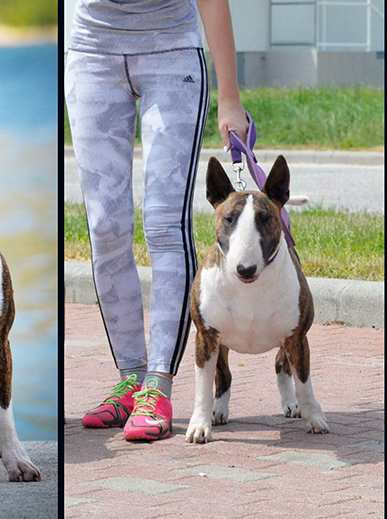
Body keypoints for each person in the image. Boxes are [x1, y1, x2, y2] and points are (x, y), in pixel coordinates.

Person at [65, 0, 249, 441]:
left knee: (165, 223)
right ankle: (130, 378)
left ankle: (158, 384)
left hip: (172, 53)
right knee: (105, 226)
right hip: (91, 50)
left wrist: (230, 97)